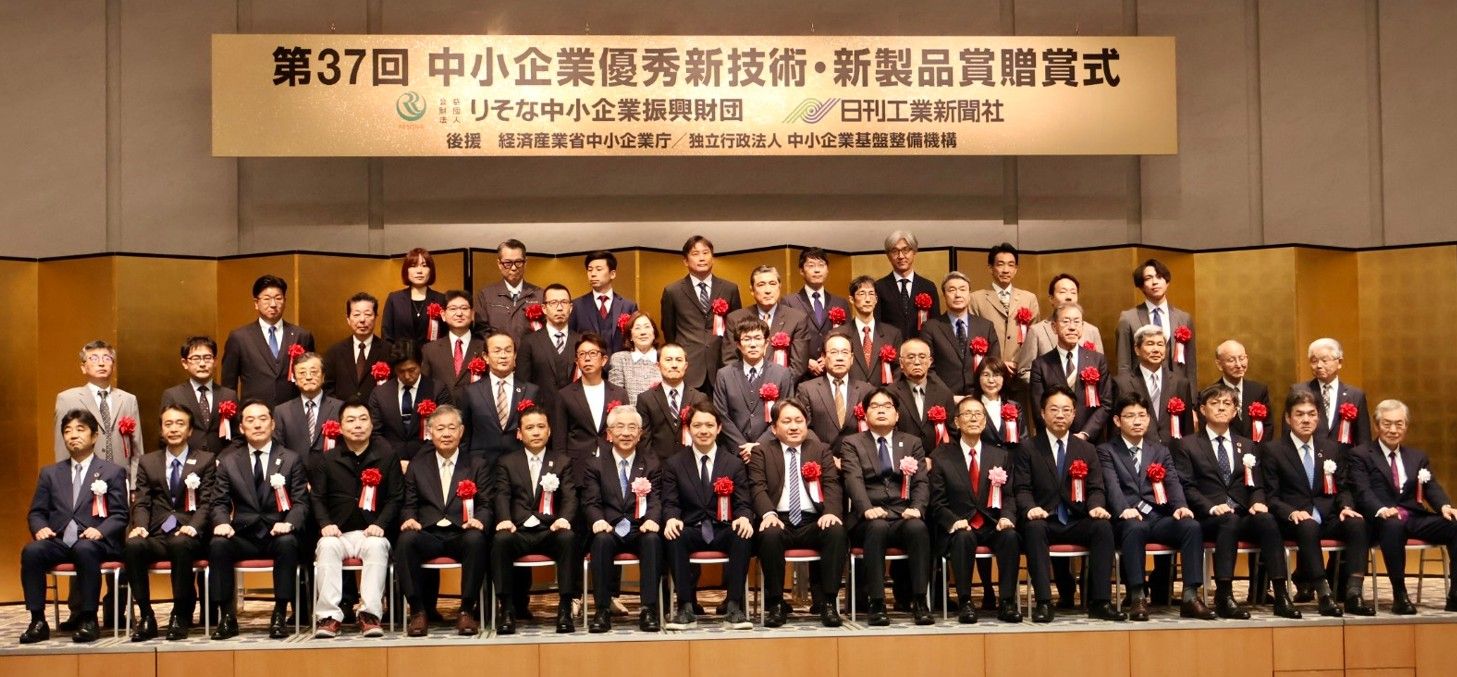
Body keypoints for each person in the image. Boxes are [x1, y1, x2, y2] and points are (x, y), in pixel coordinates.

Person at [1173, 384, 1293, 619]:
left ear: (1235, 410)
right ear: (1202, 410)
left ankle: (1281, 594)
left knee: (1267, 520)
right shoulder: (1187, 445)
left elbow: (1257, 484)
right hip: (1209, 517)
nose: (1221, 408)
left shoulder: (1247, 445)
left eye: (1227, 404)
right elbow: (1187, 486)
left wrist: (1257, 500)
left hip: (1242, 512)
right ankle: (1224, 595)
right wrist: (1210, 506)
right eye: (1214, 403)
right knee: (1229, 521)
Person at [1096, 392, 1213, 621]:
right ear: (1117, 420)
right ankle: (1138, 596)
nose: (1137, 421)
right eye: (1130, 416)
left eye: (1142, 415)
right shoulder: (1106, 451)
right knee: (1135, 527)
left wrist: (1180, 506)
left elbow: (1173, 481)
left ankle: (1190, 597)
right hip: (1127, 519)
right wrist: (1123, 508)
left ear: (1149, 419)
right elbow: (1111, 485)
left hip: (1158, 517)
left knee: (1191, 526)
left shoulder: (1160, 450)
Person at [1261, 387, 1375, 617]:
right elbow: (1271, 496)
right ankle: (1324, 594)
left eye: (1311, 414)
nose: (1306, 420)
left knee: (1357, 523)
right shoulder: (1273, 450)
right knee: (1308, 525)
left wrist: (1346, 507)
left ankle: (1354, 593)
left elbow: (1342, 487)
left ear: (1318, 417)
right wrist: (1291, 512)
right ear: (1288, 418)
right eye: (1300, 414)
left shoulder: (1331, 448)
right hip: (1294, 519)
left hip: (1327, 515)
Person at [1015, 385, 1125, 623]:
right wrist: (1030, 508)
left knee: (1102, 527)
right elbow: (1021, 488)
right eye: (1054, 409)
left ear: (1074, 414)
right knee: (1033, 529)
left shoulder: (1086, 449)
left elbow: (1096, 488)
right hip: (1044, 518)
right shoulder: (1028, 448)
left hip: (1076, 518)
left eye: (1066, 410)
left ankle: (1100, 602)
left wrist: (1096, 505)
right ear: (1042, 413)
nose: (1060, 415)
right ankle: (1044, 602)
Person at [20, 410, 129, 644]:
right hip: (59, 540)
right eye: (67, 431)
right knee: (32, 551)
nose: (73, 435)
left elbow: (121, 514)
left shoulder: (112, 472)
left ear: (94, 435)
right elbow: (36, 512)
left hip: (95, 542)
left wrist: (100, 530)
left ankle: (88, 619)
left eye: (80, 429)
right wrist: (40, 528)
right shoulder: (50, 473)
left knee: (84, 549)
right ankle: (37, 620)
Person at [208, 400, 310, 640]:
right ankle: (227, 616)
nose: (257, 425)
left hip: (277, 532)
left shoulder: (290, 459)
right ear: (241, 427)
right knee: (218, 544)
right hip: (243, 534)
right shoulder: (229, 461)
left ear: (272, 424)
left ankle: (279, 613)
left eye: (263, 419)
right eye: (250, 420)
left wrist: (289, 523)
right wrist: (222, 522)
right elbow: (219, 501)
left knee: (288, 543)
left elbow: (301, 502)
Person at [1348, 399, 1457, 614]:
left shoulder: (1417, 457)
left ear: (1406, 426)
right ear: (1376, 425)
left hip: (1413, 516)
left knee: (1455, 524)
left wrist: (1444, 505)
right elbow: (1362, 491)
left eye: (1399, 424)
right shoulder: (1361, 455)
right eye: (1387, 424)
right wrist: (1381, 509)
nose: (1393, 430)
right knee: (1393, 524)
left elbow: (1431, 486)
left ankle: (1455, 595)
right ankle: (1400, 595)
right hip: (1381, 519)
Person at [838, 388, 934, 625]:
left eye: (887, 406)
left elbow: (921, 481)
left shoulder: (912, 442)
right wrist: (866, 508)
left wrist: (917, 508)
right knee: (877, 526)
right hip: (868, 518)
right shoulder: (852, 443)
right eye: (875, 406)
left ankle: (919, 600)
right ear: (865, 414)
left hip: (903, 515)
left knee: (918, 528)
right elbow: (853, 480)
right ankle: (877, 602)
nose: (881, 410)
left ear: (897, 415)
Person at [749, 397, 847, 628]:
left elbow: (832, 485)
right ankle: (776, 603)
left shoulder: (821, 450)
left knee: (836, 531)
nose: (794, 426)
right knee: (769, 534)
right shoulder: (762, 452)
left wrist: (831, 512)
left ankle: (829, 603)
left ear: (806, 424)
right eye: (787, 421)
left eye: (799, 420)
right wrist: (768, 514)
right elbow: (757, 487)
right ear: (774, 428)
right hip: (778, 518)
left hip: (814, 520)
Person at [123, 405, 217, 642]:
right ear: (161, 430)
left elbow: (207, 502)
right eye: (168, 424)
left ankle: (180, 614)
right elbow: (142, 501)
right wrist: (140, 526)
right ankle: (146, 615)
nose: (173, 429)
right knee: (133, 545)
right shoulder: (148, 461)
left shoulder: (205, 460)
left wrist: (193, 526)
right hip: (157, 534)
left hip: (190, 535)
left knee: (180, 543)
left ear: (190, 430)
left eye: (180, 423)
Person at [310, 400, 402, 639]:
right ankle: (329, 617)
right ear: (340, 427)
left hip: (371, 532)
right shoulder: (327, 459)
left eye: (363, 419)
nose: (358, 425)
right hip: (337, 533)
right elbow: (317, 498)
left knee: (377, 546)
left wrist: (380, 524)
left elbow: (396, 497)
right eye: (350, 420)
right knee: (326, 547)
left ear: (372, 425)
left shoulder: (387, 456)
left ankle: (369, 615)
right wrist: (325, 524)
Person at [397, 404, 492, 637]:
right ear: (430, 432)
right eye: (440, 429)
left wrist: (479, 520)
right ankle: (418, 611)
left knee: (476, 540)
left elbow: (486, 504)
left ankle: (466, 610)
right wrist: (410, 519)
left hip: (462, 532)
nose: (446, 434)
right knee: (406, 540)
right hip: (428, 532)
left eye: (452, 428)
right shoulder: (418, 466)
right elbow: (409, 504)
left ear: (461, 431)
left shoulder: (477, 464)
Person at [661, 401, 755, 630]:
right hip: (691, 528)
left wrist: (744, 517)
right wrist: (671, 518)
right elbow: (670, 502)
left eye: (709, 425)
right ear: (688, 428)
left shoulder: (733, 463)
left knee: (742, 535)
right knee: (674, 536)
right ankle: (685, 607)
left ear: (719, 428)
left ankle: (734, 606)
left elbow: (743, 502)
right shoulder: (674, 464)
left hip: (723, 528)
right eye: (697, 425)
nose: (703, 430)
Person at [928, 397, 1022, 624]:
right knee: (963, 537)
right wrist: (953, 521)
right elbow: (937, 502)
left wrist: (1007, 517)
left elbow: (1010, 495)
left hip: (991, 524)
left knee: (1010, 536)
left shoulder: (1000, 455)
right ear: (956, 422)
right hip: (959, 526)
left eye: (978, 414)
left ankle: (1007, 602)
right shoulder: (941, 456)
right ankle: (965, 601)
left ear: (985, 421)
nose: (973, 418)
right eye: (967, 414)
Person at [492, 404, 578, 634]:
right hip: (518, 530)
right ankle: (507, 609)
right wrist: (504, 519)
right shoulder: (507, 462)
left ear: (549, 431)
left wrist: (564, 519)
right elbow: (502, 494)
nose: (536, 432)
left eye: (541, 426)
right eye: (530, 428)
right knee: (500, 540)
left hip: (549, 530)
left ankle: (565, 608)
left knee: (569, 538)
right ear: (520, 434)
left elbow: (570, 496)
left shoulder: (562, 461)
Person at [580, 406, 663, 632]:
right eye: (620, 427)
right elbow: (590, 502)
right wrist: (597, 520)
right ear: (609, 433)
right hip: (609, 527)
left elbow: (656, 499)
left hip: (639, 527)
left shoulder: (651, 463)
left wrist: (652, 519)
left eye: (632, 427)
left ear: (640, 434)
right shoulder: (595, 465)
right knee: (601, 541)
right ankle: (602, 610)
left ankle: (648, 609)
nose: (626, 433)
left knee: (653, 540)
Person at [660, 235, 743, 394]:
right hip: (689, 367)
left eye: (706, 253)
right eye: (695, 253)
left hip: (721, 364)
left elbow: (736, 329)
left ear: (713, 258)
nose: (702, 258)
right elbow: (669, 330)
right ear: (685, 261)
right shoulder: (673, 291)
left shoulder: (729, 289)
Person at [220, 274, 316, 407]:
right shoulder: (239, 337)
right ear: (256, 303)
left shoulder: (302, 335)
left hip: (293, 412)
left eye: (278, 298)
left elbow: (312, 376)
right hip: (254, 414)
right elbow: (228, 385)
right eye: (267, 299)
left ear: (285, 301)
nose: (273, 304)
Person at [54, 340, 145, 477]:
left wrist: (134, 484)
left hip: (121, 477)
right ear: (83, 367)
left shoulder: (128, 399)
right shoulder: (67, 399)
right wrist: (65, 481)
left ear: (113, 366)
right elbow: (62, 447)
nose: (101, 363)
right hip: (83, 477)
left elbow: (137, 447)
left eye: (107, 358)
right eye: (94, 358)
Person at [713, 317, 796, 455]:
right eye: (747, 339)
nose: (753, 344)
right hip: (734, 451)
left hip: (771, 449)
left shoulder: (782, 374)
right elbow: (721, 414)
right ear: (738, 345)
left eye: (758, 338)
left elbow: (785, 414)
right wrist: (742, 447)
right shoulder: (724, 375)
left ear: (766, 343)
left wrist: (759, 446)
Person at [1029, 303, 1112, 442]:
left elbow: (1106, 404)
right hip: (1053, 441)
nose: (1072, 327)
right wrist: (1058, 435)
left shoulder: (1097, 360)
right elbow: (1038, 408)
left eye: (1077, 322)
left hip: (1090, 441)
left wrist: (1085, 433)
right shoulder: (1041, 364)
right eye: (1066, 321)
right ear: (1054, 327)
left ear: (1082, 326)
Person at [459, 331, 541, 466]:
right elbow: (465, 434)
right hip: (481, 464)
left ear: (515, 355)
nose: (503, 356)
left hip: (519, 463)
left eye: (508, 351)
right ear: (486, 357)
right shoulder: (471, 391)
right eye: (497, 351)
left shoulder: (531, 391)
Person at [720, 265, 814, 380]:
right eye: (761, 285)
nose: (768, 290)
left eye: (772, 284)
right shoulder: (735, 318)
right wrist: (748, 386)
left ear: (779, 287)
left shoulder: (796, 318)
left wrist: (775, 386)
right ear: (752, 290)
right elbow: (730, 361)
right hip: (745, 386)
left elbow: (798, 366)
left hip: (783, 387)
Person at [367, 339, 451, 464]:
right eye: (401, 371)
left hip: (428, 461)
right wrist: (394, 460)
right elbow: (375, 433)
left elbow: (445, 429)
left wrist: (417, 462)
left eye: (412, 370)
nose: (407, 376)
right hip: (391, 461)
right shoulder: (380, 394)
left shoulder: (437, 390)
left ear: (420, 364)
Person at [1115, 259, 1197, 385]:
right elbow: (1123, 364)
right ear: (1141, 286)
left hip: (1176, 387)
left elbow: (1191, 366)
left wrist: (1191, 394)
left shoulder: (1183, 318)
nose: (1155, 282)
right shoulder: (1128, 318)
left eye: (1159, 277)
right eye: (1148, 278)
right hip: (1141, 387)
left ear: (1167, 282)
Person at [1112, 325, 1196, 446]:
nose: (1156, 349)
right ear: (1137, 349)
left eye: (1160, 344)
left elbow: (1187, 428)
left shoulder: (1180, 382)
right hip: (1138, 450)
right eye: (1150, 344)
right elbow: (1115, 428)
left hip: (1174, 450)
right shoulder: (1121, 383)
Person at [552, 333, 630, 461]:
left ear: (604, 360)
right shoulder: (565, 395)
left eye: (593, 353)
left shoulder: (619, 393)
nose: (587, 358)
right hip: (577, 464)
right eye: (582, 354)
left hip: (612, 461)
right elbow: (559, 441)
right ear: (577, 362)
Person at [921, 271, 1000, 396]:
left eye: (962, 289)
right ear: (944, 295)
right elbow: (928, 368)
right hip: (945, 397)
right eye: (951, 290)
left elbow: (994, 363)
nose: (957, 295)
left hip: (980, 396)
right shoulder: (931, 327)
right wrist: (949, 396)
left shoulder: (986, 326)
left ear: (969, 294)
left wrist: (981, 393)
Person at [160, 336, 239, 455]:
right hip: (186, 461)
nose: (202, 364)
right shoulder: (173, 395)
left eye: (207, 358)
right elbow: (165, 435)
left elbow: (237, 436)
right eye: (196, 358)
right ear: (185, 363)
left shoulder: (228, 395)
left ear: (215, 361)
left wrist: (225, 459)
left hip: (221, 461)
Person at [1018, 273, 1104, 382]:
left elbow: (1100, 369)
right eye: (1063, 292)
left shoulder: (1092, 331)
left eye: (1073, 292)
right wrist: (1046, 385)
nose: (1069, 297)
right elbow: (1024, 371)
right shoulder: (1037, 331)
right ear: (1051, 298)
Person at [968, 242, 1039, 374]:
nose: (1006, 270)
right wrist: (997, 363)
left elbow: (1034, 338)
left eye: (1011, 265)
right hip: (989, 371)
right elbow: (974, 339)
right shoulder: (975, 299)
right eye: (1000, 264)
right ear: (990, 268)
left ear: (1016, 269)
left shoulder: (1029, 298)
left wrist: (1018, 362)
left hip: (1020, 371)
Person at [781, 247, 851, 379]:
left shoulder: (840, 303)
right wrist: (805, 361)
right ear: (801, 271)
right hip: (802, 375)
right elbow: (784, 339)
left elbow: (847, 337)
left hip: (834, 372)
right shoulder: (789, 302)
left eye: (821, 265)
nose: (817, 270)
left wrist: (829, 357)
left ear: (827, 269)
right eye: (811, 265)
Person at [796, 334, 874, 451]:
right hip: (820, 456)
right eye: (833, 352)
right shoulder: (807, 389)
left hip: (857, 456)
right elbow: (803, 427)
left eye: (845, 352)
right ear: (823, 357)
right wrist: (825, 456)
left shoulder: (866, 390)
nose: (840, 358)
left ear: (852, 358)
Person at [635, 343, 709, 461]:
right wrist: (653, 467)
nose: (674, 365)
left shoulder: (699, 398)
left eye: (679, 360)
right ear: (658, 365)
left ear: (685, 365)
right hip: (658, 466)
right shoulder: (645, 399)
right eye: (668, 360)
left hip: (691, 464)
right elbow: (644, 441)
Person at [272, 351, 343, 475]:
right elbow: (278, 450)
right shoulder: (281, 411)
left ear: (323, 376)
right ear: (295, 379)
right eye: (302, 373)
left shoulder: (340, 408)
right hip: (295, 477)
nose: (308, 377)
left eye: (314, 372)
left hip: (332, 476)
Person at [518, 283, 581, 413]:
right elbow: (522, 383)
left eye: (564, 302)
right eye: (553, 303)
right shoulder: (529, 342)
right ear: (544, 308)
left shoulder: (581, 341)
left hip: (575, 414)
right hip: (541, 413)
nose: (559, 308)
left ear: (570, 307)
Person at [830, 275, 903, 385]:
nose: (867, 299)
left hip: (884, 394)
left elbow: (898, 370)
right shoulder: (839, 334)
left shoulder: (893, 334)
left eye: (871, 294)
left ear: (876, 299)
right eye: (862, 293)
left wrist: (886, 393)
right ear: (851, 299)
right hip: (851, 393)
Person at [1303, 337, 1372, 452]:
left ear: (1339, 362)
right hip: (1310, 457)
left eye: (1324, 360)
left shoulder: (1355, 395)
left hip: (1345, 460)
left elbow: (1363, 440)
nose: (1319, 365)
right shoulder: (1300, 391)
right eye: (1314, 361)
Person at [888, 338, 957, 454]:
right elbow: (887, 431)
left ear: (930, 362)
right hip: (901, 458)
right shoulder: (890, 394)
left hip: (937, 460)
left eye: (922, 357)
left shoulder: (944, 394)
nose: (917, 362)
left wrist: (936, 459)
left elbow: (952, 434)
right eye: (911, 357)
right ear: (901, 363)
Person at [323, 292, 393, 403]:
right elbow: (327, 388)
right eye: (356, 315)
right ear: (348, 319)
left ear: (375, 317)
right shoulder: (334, 352)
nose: (362, 319)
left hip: (377, 412)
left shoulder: (389, 351)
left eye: (368, 314)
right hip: (343, 412)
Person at [873, 230, 939, 341]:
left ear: (914, 252)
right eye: (895, 251)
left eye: (906, 250)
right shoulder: (879, 287)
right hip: (890, 347)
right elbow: (877, 325)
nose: (901, 256)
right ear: (888, 255)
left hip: (921, 346)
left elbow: (935, 325)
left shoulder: (928, 287)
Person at [473, 238, 542, 344]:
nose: (513, 268)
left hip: (531, 353)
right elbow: (481, 331)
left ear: (525, 262)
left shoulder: (539, 294)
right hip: (498, 353)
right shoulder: (485, 295)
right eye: (508, 263)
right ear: (499, 264)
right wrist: (501, 349)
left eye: (518, 262)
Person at [419, 290, 484, 402]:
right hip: (441, 409)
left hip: (476, 409)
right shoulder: (430, 350)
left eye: (464, 308)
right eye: (453, 309)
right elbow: (424, 386)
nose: (459, 313)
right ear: (443, 315)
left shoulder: (484, 347)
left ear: (472, 314)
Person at [570, 250, 639, 352]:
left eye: (599, 269)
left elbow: (635, 339)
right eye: (590, 270)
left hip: (621, 360)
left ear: (612, 274)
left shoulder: (629, 306)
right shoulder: (577, 305)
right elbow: (571, 339)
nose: (593, 274)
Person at [382, 247, 449, 346]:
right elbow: (386, 335)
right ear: (406, 271)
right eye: (413, 266)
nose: (419, 271)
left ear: (431, 270)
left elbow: (446, 335)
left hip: (432, 355)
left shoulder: (441, 299)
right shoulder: (394, 299)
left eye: (424, 266)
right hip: (401, 355)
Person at [1210, 339, 1272, 442]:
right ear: (1219, 364)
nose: (1239, 365)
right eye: (1231, 360)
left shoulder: (1259, 390)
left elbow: (1268, 426)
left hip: (1256, 448)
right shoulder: (1211, 395)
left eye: (1242, 358)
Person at [972, 355, 1028, 449]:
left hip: (1011, 457)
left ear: (1004, 378)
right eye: (986, 375)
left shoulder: (1015, 406)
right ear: (978, 378)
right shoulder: (971, 406)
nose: (991, 380)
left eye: (996, 375)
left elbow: (1023, 440)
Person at [608, 311, 663, 404]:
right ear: (630, 336)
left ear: (654, 332)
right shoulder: (620, 359)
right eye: (637, 328)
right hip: (630, 412)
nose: (643, 332)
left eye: (647, 327)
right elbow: (616, 397)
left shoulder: (665, 357)